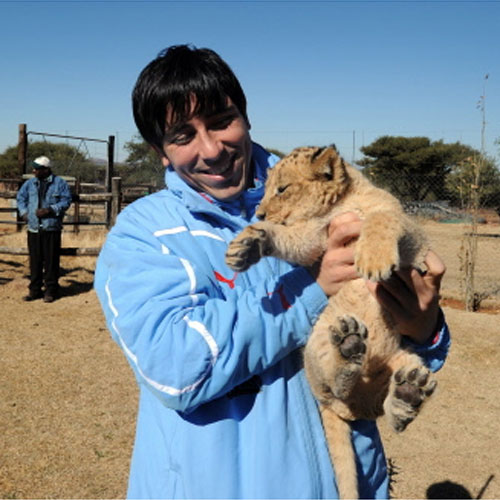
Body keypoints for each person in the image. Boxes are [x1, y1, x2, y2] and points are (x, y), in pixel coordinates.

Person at [94, 45, 450, 499]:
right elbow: (177, 369)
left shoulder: (319, 185)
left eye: (222, 121)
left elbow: (390, 304)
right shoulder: (144, 235)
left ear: (245, 115)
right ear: (160, 152)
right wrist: (312, 286)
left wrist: (425, 327)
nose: (211, 149)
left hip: (350, 481)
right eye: (182, 136)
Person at [17, 155, 72, 302]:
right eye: (34, 168)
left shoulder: (59, 183)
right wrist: (24, 213)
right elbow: (21, 198)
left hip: (51, 228)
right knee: (35, 261)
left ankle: (51, 291)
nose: (34, 171)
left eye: (37, 168)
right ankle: (34, 290)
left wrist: (50, 210)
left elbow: (66, 200)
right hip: (34, 228)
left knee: (51, 261)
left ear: (46, 169)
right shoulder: (30, 184)